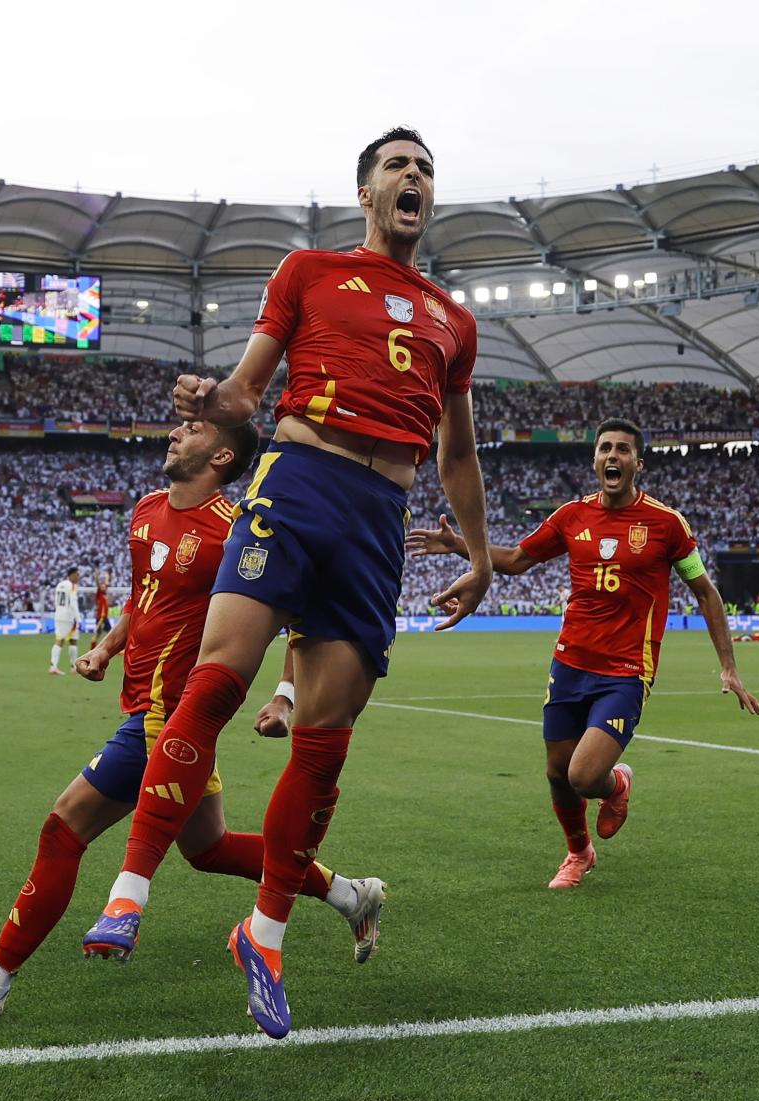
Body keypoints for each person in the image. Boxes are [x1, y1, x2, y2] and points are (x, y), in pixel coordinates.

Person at [84, 127, 493, 1039]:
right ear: (366, 192)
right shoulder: (308, 270)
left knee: (325, 735)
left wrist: (479, 555)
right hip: (298, 482)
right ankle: (128, 889)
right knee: (221, 675)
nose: (414, 177)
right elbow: (245, 394)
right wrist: (209, 400)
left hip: (377, 520)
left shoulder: (453, 321)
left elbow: (457, 453)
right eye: (398, 165)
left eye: (425, 168)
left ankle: (263, 938)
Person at [0, 420, 385, 1017]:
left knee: (64, 827)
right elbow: (144, 597)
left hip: (174, 716)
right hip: (144, 705)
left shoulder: (234, 531)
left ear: (223, 454)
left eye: (196, 428)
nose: (178, 431)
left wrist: (285, 695)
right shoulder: (147, 511)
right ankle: (350, 895)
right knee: (207, 848)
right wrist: (108, 649)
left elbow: (294, 614)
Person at [407, 418, 759, 889]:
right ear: (595, 460)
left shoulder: (667, 524)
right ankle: (578, 853)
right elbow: (516, 560)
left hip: (626, 671)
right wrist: (460, 546)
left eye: (622, 450)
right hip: (570, 663)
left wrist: (728, 666)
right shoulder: (571, 516)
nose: (612, 457)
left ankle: (618, 784)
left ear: (639, 462)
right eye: (604, 449)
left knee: (583, 774)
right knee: (557, 772)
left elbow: (705, 592)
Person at [48, 567, 80, 675]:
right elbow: (73, 603)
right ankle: (55, 667)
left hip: (59, 614)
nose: (78, 577)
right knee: (68, 640)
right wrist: (78, 617)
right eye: (77, 575)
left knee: (70, 640)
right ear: (71, 575)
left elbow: (56, 601)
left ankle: (72, 667)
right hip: (69, 617)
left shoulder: (60, 585)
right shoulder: (72, 586)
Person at [89, 569, 112, 650]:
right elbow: (98, 584)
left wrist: (108, 576)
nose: (103, 587)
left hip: (105, 618)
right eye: (102, 586)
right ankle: (92, 649)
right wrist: (97, 576)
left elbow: (108, 583)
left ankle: (112, 648)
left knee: (111, 634)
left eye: (104, 586)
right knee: (97, 635)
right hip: (101, 619)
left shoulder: (105, 595)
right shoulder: (99, 594)